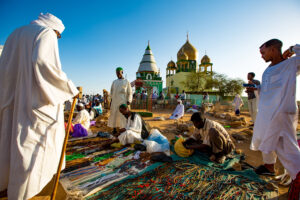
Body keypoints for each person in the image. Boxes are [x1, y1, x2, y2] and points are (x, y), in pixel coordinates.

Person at [0, 13, 79, 199]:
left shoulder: (14, 34)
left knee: (8, 144)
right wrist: (68, 87)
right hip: (35, 104)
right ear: (55, 29)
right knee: (29, 150)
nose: (58, 39)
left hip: (11, 101)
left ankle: (5, 184)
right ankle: (23, 193)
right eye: (59, 36)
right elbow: (44, 64)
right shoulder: (45, 33)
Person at [249, 39, 300, 199]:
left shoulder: (290, 64)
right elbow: (267, 91)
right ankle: (269, 167)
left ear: (273, 49)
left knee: (288, 151)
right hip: (266, 116)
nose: (262, 56)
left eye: (263, 52)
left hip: (282, 115)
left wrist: (292, 48)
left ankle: (297, 178)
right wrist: (256, 89)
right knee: (265, 141)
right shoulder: (266, 71)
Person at [108, 67, 133, 135]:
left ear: (122, 72)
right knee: (114, 114)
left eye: (119, 72)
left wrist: (129, 100)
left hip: (123, 101)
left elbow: (130, 92)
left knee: (122, 116)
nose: (118, 74)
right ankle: (114, 129)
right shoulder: (114, 82)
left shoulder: (126, 81)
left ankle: (123, 128)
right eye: (116, 73)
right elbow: (111, 92)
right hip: (114, 102)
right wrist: (110, 101)